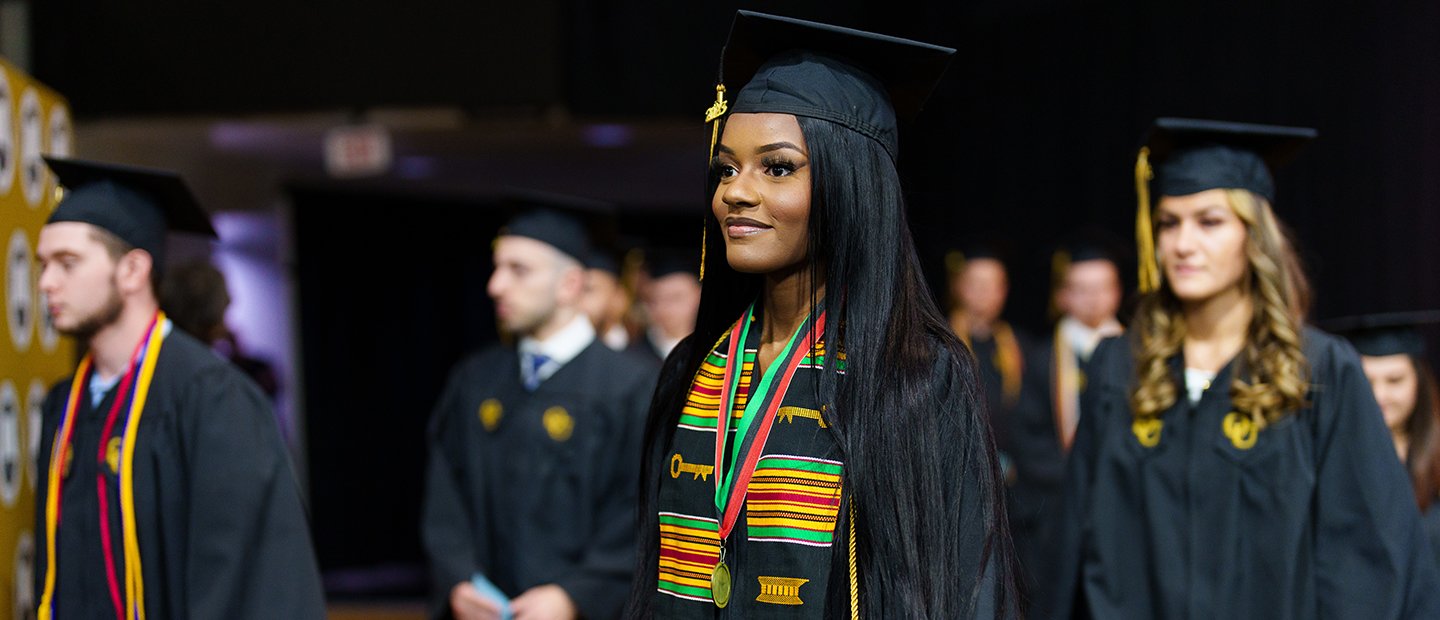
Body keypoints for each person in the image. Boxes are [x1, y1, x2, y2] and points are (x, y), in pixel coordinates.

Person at [626, 12, 1015, 618]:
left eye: (776, 167)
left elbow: (957, 594)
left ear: (850, 184)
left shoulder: (913, 377)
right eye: (727, 167)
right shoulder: (694, 367)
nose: (736, 191)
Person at [1050, 118, 1440, 618]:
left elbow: (1362, 553)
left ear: (1253, 235)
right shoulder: (1120, 368)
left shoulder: (1317, 370)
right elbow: (1074, 545)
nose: (1183, 244)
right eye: (1169, 223)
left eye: (1209, 222)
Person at [32, 157, 324, 618]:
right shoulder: (64, 407)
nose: (46, 282)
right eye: (43, 264)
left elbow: (256, 582)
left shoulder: (211, 398)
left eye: (67, 263)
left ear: (132, 271)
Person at [421, 203, 656, 620]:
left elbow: (638, 512)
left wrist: (576, 596)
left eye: (518, 269)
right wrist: (457, 579)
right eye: (496, 267)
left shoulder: (633, 385)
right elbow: (445, 498)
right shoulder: (475, 381)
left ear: (569, 284)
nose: (495, 285)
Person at [1006, 237, 1123, 607]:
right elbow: (1028, 439)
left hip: (1120, 506)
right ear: (1063, 296)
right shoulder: (1042, 360)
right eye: (1082, 289)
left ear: (1118, 292)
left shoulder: (1138, 359)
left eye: (1102, 288)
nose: (1093, 298)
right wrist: (1077, 478)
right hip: (1056, 512)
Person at [1331, 311, 1440, 568]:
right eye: (1366, 381)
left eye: (1395, 380)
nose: (1379, 395)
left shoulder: (1435, 457)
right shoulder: (1331, 457)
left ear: (1418, 382)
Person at [947, 244, 1028, 452]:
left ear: (1004, 290)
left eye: (992, 284)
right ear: (958, 286)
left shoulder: (1020, 344)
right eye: (975, 283)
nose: (983, 292)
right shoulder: (940, 344)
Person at [636, 250, 700, 362]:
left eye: (676, 297)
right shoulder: (634, 355)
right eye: (655, 299)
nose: (665, 308)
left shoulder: (716, 352)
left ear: (698, 295)